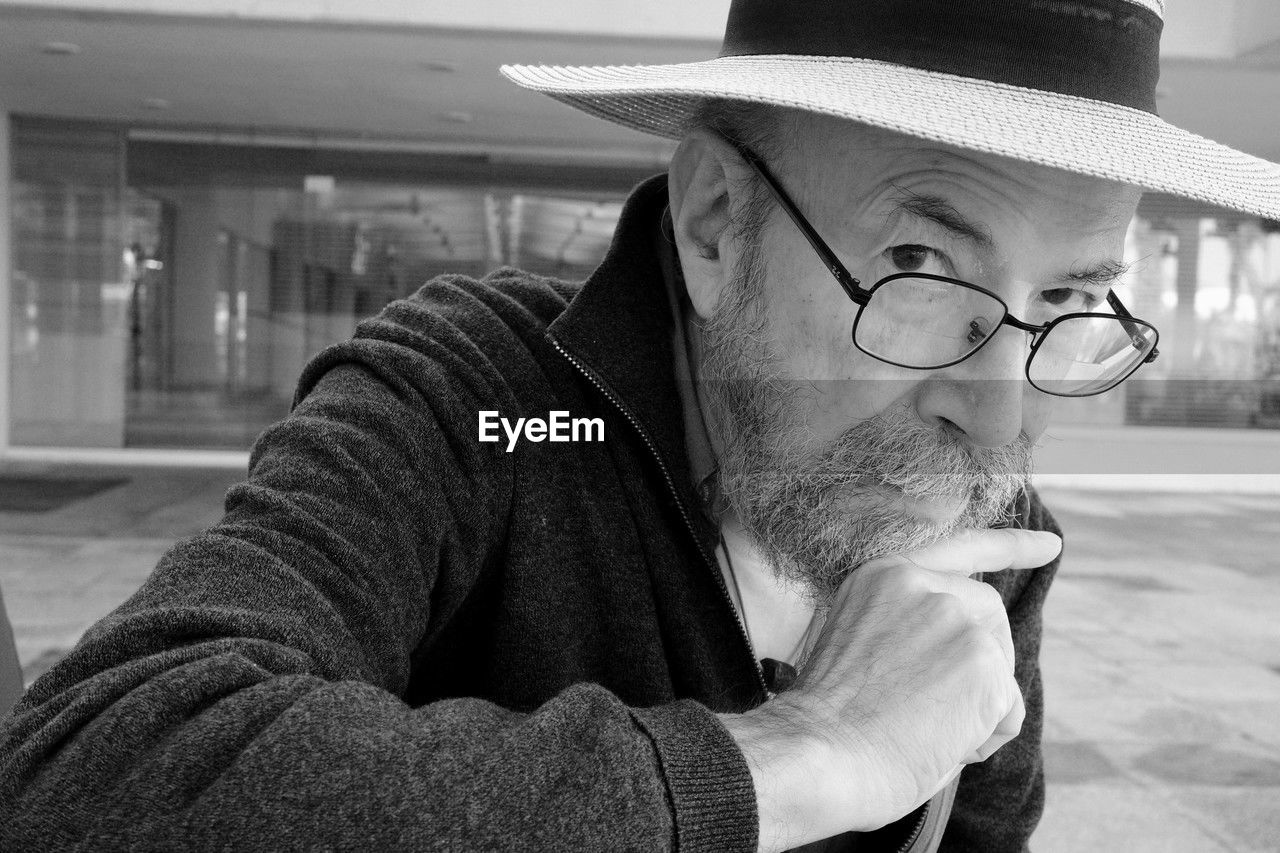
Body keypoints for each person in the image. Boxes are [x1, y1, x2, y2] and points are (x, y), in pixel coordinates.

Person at [3, 1, 1278, 850]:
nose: (992, 412)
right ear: (719, 223)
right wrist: (804, 750)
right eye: (918, 264)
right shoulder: (483, 405)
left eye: (1061, 298)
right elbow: (87, 773)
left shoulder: (992, 526)